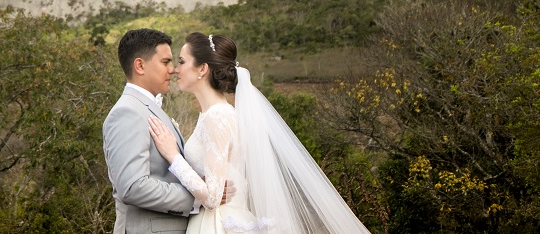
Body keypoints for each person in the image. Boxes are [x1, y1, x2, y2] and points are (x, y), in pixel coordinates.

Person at [148, 32, 371, 234]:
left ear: (203, 69)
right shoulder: (212, 115)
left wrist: (173, 156)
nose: (175, 69)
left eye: (181, 62)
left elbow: (213, 197)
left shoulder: (218, 117)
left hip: (219, 224)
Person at [102, 28, 198, 234]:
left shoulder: (145, 108)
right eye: (165, 62)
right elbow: (133, 187)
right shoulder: (127, 112)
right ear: (140, 65)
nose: (172, 69)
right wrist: (197, 195)